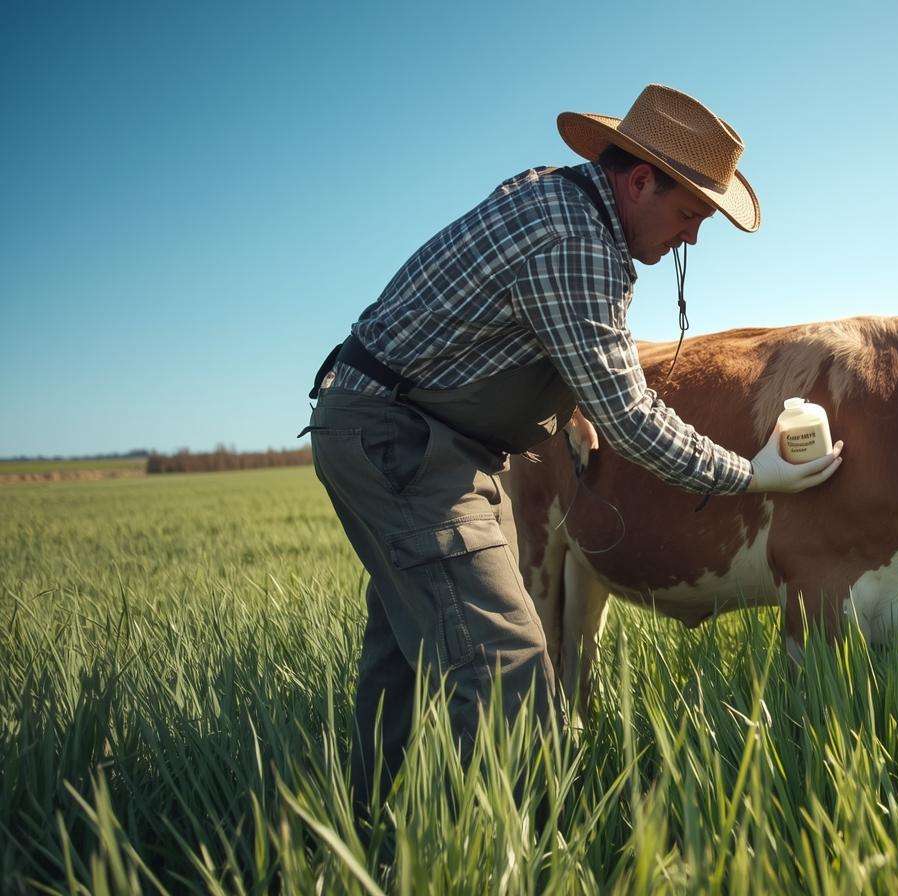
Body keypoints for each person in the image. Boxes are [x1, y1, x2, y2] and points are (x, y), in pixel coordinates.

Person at [301, 84, 844, 803]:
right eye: (688, 214)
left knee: (409, 651)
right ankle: (512, 858)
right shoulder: (578, 242)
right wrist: (752, 473)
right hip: (402, 444)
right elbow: (633, 418)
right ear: (640, 180)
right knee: (510, 673)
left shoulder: (558, 199)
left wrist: (568, 403)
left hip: (421, 436)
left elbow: (513, 333)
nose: (693, 238)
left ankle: (376, 822)